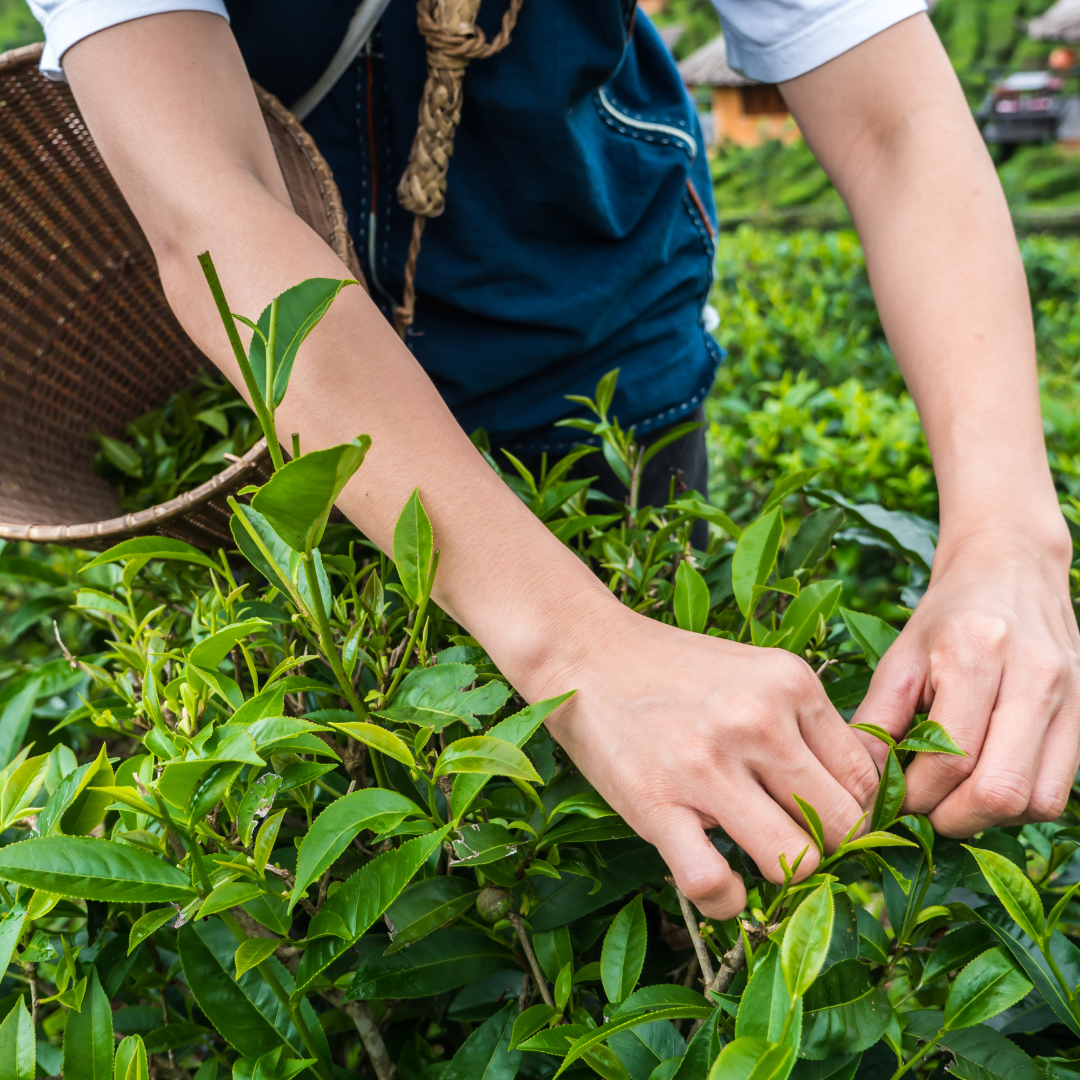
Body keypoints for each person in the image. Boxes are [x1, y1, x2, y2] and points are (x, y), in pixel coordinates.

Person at [27, 0, 1080, 920]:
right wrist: (578, 649)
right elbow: (212, 204)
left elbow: (895, 120)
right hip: (259, 405)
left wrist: (1008, 536)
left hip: (595, 347)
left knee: (661, 817)